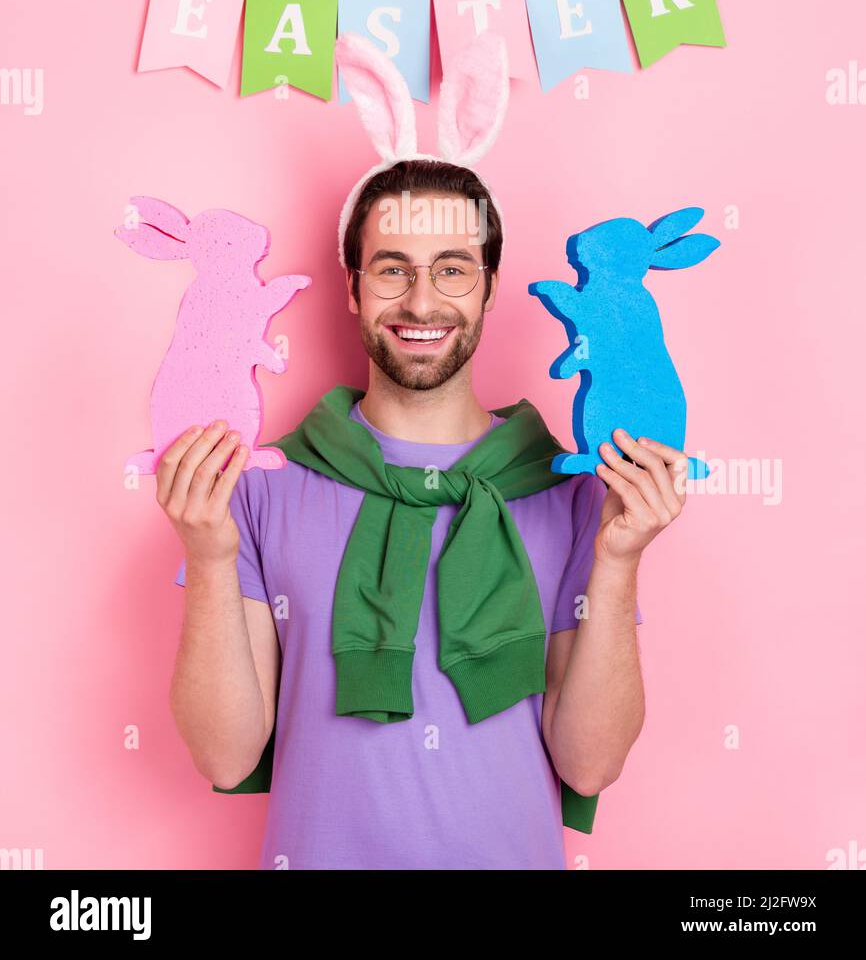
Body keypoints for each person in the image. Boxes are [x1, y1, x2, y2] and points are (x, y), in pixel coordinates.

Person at [166, 151, 689, 870]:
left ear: (490, 288)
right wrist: (207, 554)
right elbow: (226, 757)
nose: (420, 302)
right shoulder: (258, 486)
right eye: (391, 268)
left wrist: (621, 558)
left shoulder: (576, 496)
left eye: (451, 268)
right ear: (352, 288)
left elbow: (590, 766)